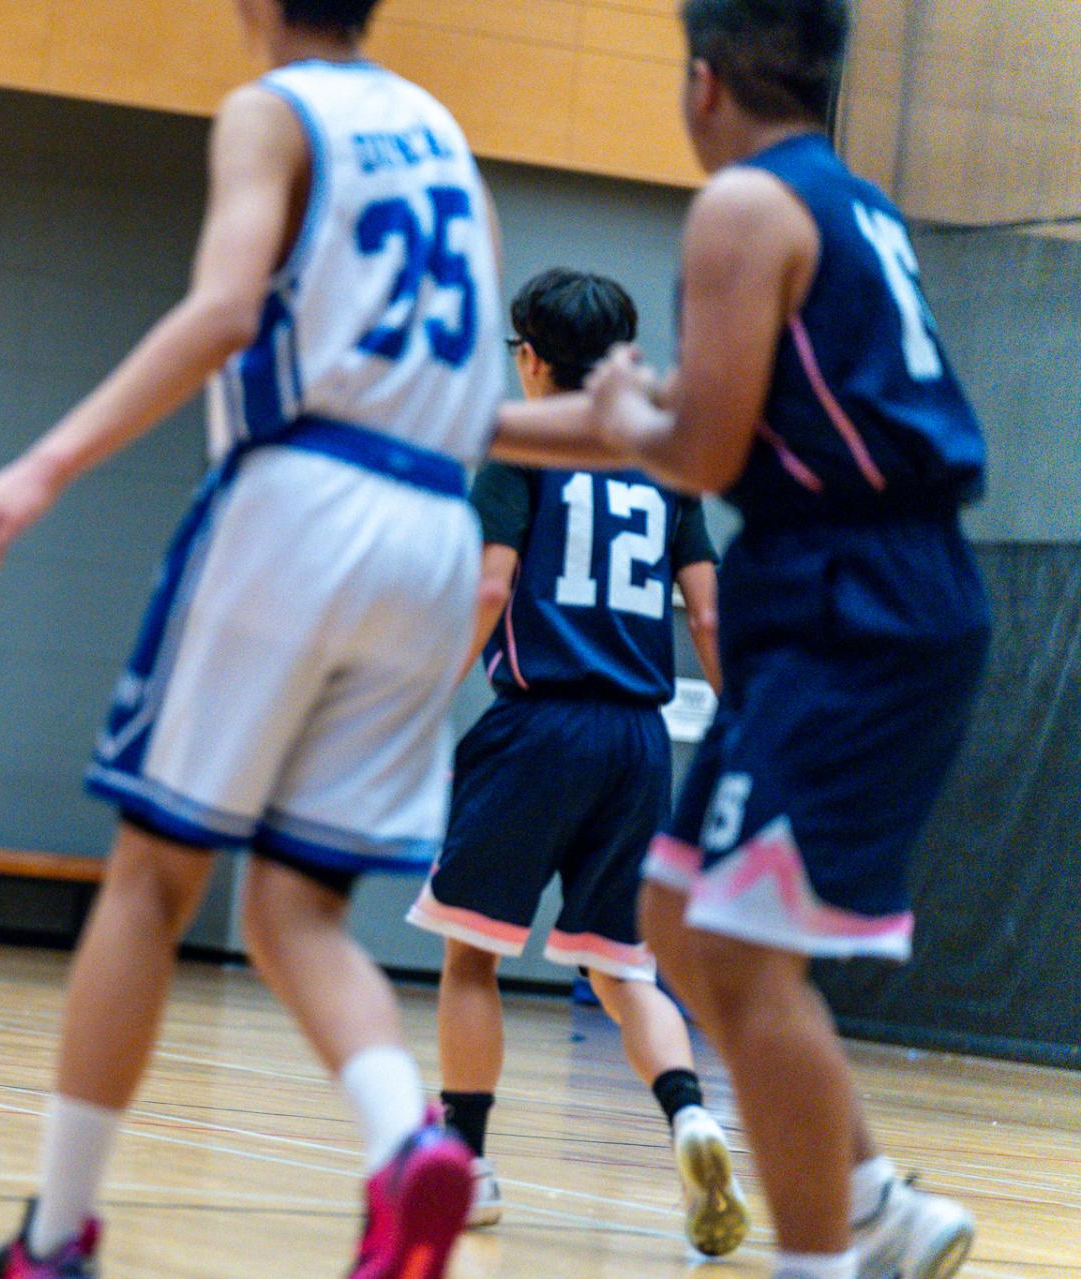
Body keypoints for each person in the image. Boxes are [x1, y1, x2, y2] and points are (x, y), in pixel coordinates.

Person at [0, 0, 507, 1271]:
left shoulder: (272, 112)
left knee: (152, 877)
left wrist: (45, 465)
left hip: (301, 500)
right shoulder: (444, 134)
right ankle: (408, 1137)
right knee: (298, 905)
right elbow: (474, 386)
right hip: (437, 526)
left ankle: (57, 1234)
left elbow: (224, 314)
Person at [497, 4, 990, 1278]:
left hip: (856, 601)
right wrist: (469, 422)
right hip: (860, 586)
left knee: (737, 947)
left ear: (703, 82)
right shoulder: (843, 202)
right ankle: (877, 1197)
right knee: (671, 911)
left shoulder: (740, 212)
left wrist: (615, 408)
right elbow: (687, 415)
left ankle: (821, 1259)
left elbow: (695, 450)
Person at [407, 267, 748, 1256]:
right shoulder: (669, 469)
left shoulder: (519, 454)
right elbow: (711, 612)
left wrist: (422, 699)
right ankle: (690, 1115)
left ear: (533, 358)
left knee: (472, 953)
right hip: (640, 748)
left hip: (537, 731)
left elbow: (488, 585)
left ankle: (466, 1161)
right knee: (622, 967)